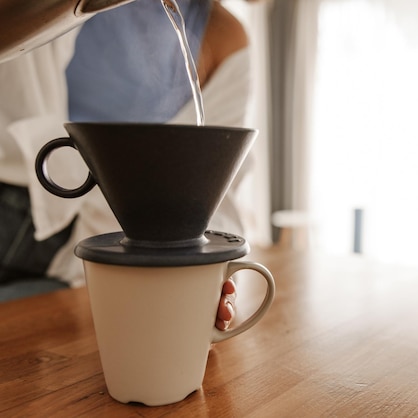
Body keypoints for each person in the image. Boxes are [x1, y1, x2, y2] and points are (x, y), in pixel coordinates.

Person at [0, 0, 254, 329]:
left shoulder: (223, 35)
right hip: (16, 199)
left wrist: (206, 267)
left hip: (85, 253)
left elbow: (216, 179)